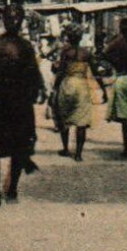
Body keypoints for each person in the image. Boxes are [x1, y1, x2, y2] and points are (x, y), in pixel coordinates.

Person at [0, 5, 46, 207]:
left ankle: (12, 187)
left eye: (17, 18)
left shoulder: (26, 46)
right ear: (3, 19)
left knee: (20, 147)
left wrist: (40, 89)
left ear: (22, 20)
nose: (13, 21)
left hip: (20, 103)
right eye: (10, 17)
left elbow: (34, 72)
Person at [51, 22, 108, 161]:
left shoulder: (65, 52)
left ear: (69, 37)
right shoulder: (86, 53)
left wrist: (55, 88)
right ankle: (78, 154)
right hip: (82, 86)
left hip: (67, 84)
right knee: (81, 121)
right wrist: (103, 89)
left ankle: (65, 149)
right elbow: (95, 73)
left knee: (64, 118)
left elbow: (61, 72)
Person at [102, 16, 127, 158]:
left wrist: (116, 63)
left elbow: (104, 54)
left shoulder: (117, 43)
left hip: (121, 77)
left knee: (125, 117)